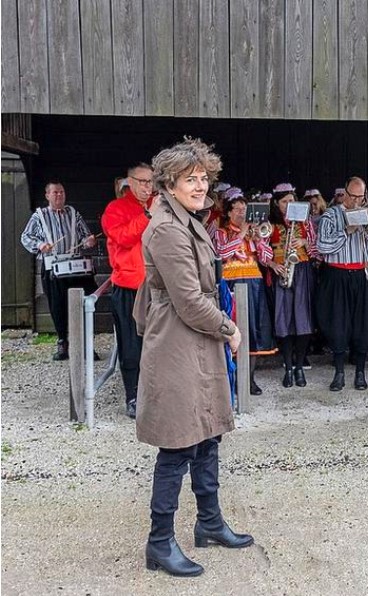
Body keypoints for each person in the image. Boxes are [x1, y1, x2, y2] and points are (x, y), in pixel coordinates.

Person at [134, 137, 253, 578]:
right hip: (178, 342)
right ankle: (159, 543)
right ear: (170, 183)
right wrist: (230, 328)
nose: (200, 186)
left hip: (197, 339)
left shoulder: (188, 219)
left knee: (207, 435)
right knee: (178, 443)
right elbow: (187, 299)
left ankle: (209, 523)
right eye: (191, 179)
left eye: (204, 178)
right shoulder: (166, 228)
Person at [316, 176, 368, 391]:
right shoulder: (330, 215)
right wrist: (347, 231)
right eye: (353, 196)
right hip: (337, 275)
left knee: (363, 323)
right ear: (344, 193)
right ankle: (339, 373)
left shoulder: (367, 212)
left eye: (360, 196)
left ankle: (361, 372)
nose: (356, 200)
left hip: (362, 273)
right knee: (338, 323)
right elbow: (322, 247)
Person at [20, 182, 98, 360]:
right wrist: (40, 245)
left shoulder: (73, 213)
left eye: (61, 192)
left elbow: (85, 236)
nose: (59, 196)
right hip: (52, 267)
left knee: (86, 302)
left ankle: (86, 344)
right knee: (58, 306)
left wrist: (88, 241)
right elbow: (25, 236)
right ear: (47, 195)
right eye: (55, 192)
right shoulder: (39, 216)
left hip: (75, 266)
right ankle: (63, 342)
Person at [102, 163, 156, 418]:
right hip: (129, 287)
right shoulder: (115, 209)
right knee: (131, 345)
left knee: (158, 343)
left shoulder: (156, 204)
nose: (148, 187)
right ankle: (133, 396)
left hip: (157, 286)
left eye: (151, 181)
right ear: (129, 182)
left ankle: (157, 393)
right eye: (143, 181)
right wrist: (146, 216)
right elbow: (122, 237)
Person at [214, 187, 277, 395]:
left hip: (254, 284)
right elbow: (222, 253)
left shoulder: (253, 233)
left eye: (244, 209)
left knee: (254, 330)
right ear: (229, 212)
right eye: (238, 209)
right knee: (234, 329)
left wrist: (259, 238)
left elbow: (267, 259)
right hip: (232, 284)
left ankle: (249, 379)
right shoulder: (222, 232)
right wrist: (241, 233)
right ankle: (233, 378)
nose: (242, 213)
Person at [268, 184, 319, 388]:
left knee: (303, 320)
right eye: (284, 202)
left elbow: (318, 249)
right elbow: (262, 249)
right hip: (282, 271)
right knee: (284, 321)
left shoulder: (305, 223)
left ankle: (299, 366)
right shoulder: (271, 224)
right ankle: (288, 367)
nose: (288, 205)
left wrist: (305, 242)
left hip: (302, 270)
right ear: (276, 204)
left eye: (291, 201)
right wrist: (273, 264)